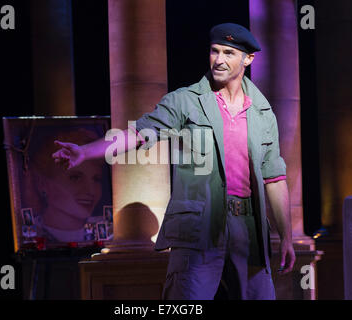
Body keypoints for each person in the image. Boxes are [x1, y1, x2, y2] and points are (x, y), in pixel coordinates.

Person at [52, 23, 295, 299]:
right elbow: (138, 134)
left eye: (228, 53)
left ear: (248, 59)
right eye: (214, 51)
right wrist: (86, 152)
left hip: (248, 229)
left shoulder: (262, 113)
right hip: (199, 227)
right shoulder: (185, 101)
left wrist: (286, 236)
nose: (219, 60)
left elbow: (274, 178)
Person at [29, 128, 104, 243]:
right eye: (75, 178)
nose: (91, 190)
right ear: (42, 183)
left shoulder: (107, 232)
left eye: (96, 179)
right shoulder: (30, 235)